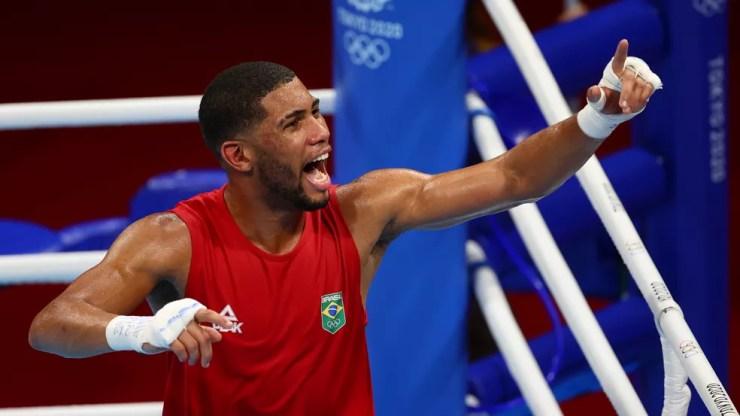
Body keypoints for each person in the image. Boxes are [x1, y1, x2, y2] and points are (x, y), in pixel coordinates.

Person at [29, 39, 660, 415]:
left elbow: (517, 180)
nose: (319, 132)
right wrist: (145, 326)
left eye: (315, 111)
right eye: (292, 124)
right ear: (238, 156)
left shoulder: (365, 210)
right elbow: (52, 325)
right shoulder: (175, 238)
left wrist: (595, 121)